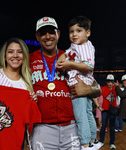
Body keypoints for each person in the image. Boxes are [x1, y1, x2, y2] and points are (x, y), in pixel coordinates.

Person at [30, 16, 101, 150]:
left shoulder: (72, 55)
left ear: (58, 34)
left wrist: (89, 90)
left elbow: (97, 88)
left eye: (51, 32)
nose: (47, 36)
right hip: (42, 127)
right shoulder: (29, 60)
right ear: (37, 37)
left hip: (72, 126)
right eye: (42, 33)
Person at [55, 16, 99, 150]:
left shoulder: (85, 47)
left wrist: (69, 64)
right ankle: (92, 139)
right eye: (71, 31)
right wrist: (62, 60)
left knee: (81, 116)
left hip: (79, 85)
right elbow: (66, 54)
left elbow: (89, 66)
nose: (74, 34)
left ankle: (85, 143)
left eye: (79, 30)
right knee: (87, 114)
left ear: (88, 33)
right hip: (83, 85)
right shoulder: (75, 46)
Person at [99, 74, 117, 149]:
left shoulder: (116, 89)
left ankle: (112, 143)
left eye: (111, 82)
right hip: (105, 110)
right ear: (106, 82)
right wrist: (98, 107)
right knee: (103, 126)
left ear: (113, 82)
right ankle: (101, 141)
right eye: (108, 82)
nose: (110, 83)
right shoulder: (103, 89)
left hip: (113, 111)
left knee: (112, 127)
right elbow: (97, 96)